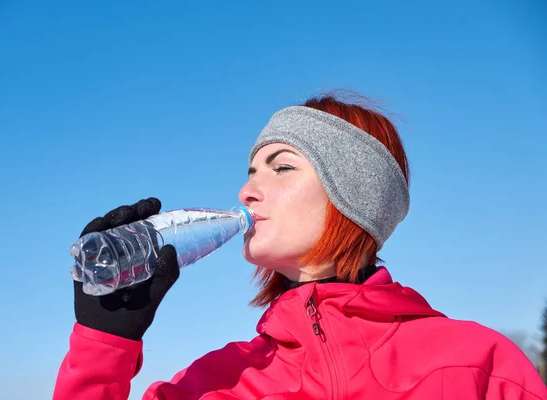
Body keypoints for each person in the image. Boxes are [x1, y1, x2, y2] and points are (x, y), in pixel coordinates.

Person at [53, 95, 547, 399]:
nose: (245, 192)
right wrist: (103, 346)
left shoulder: (478, 365)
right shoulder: (213, 383)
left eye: (282, 166)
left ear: (352, 197)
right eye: (250, 171)